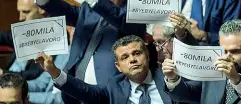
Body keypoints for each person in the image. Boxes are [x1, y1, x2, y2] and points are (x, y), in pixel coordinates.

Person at [19, 0, 146, 103]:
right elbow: (62, 9)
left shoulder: (133, 16)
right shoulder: (88, 10)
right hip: (72, 92)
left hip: (107, 96)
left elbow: (114, 14)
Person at [163, 19, 241, 104]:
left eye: (235, 51)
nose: (227, 57)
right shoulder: (213, 75)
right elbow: (183, 95)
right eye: (223, 51)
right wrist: (172, 78)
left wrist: (236, 79)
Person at [36, 35, 172, 104]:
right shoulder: (113, 86)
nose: (132, 59)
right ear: (118, 66)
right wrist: (54, 72)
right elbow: (85, 91)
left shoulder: (168, 78)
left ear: (147, 56)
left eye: (136, 53)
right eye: (124, 57)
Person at [0, 0, 67, 104]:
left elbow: (36, 75)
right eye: (19, 12)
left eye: (26, 12)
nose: (20, 18)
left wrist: (4, 75)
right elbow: (4, 36)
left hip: (17, 89)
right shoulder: (23, 31)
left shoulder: (55, 41)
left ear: (41, 9)